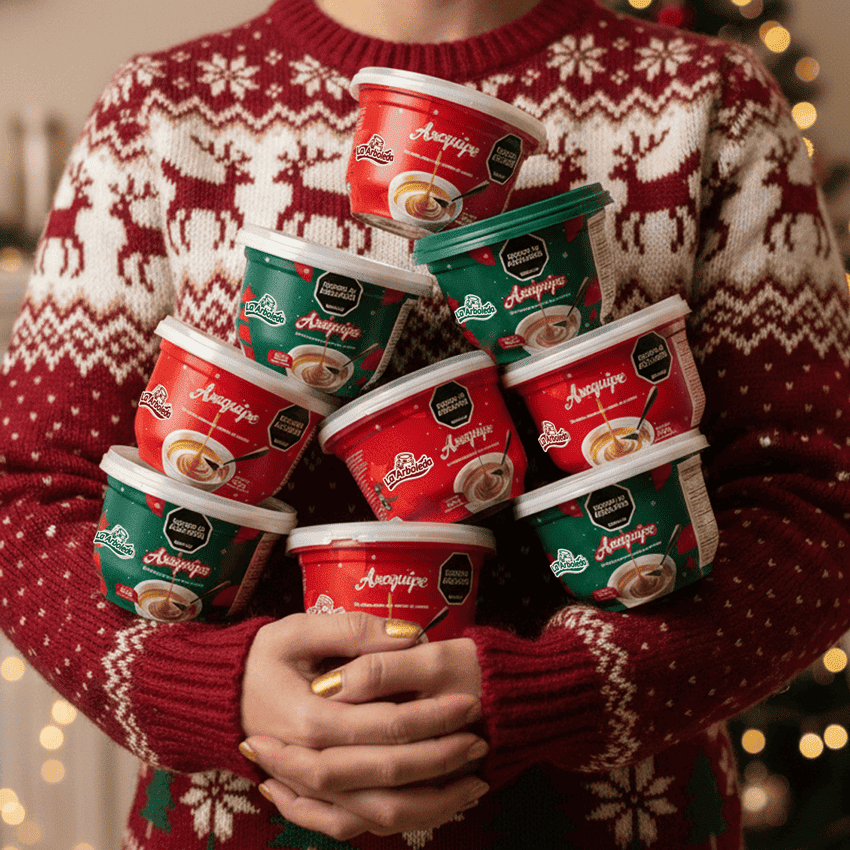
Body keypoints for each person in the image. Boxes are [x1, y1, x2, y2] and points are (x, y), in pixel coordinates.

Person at [1, 0, 849, 847]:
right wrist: (214, 687)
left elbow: (820, 498)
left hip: (622, 822)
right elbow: (27, 494)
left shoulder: (707, 98)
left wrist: (563, 691)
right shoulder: (164, 109)